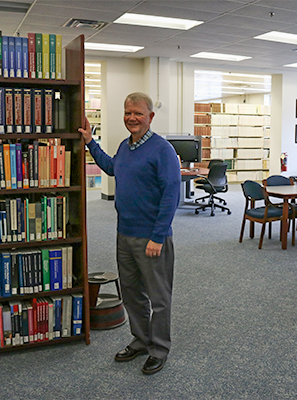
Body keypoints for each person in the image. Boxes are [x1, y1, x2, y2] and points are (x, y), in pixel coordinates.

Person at [79, 92, 181, 375]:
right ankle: (141, 339)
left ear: (150, 116)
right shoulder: (126, 146)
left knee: (159, 299)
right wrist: (90, 142)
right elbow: (112, 167)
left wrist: (158, 236)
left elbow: (172, 194)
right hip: (124, 234)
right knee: (133, 294)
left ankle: (159, 349)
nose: (132, 118)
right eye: (127, 113)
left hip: (152, 238)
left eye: (137, 113)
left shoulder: (163, 150)